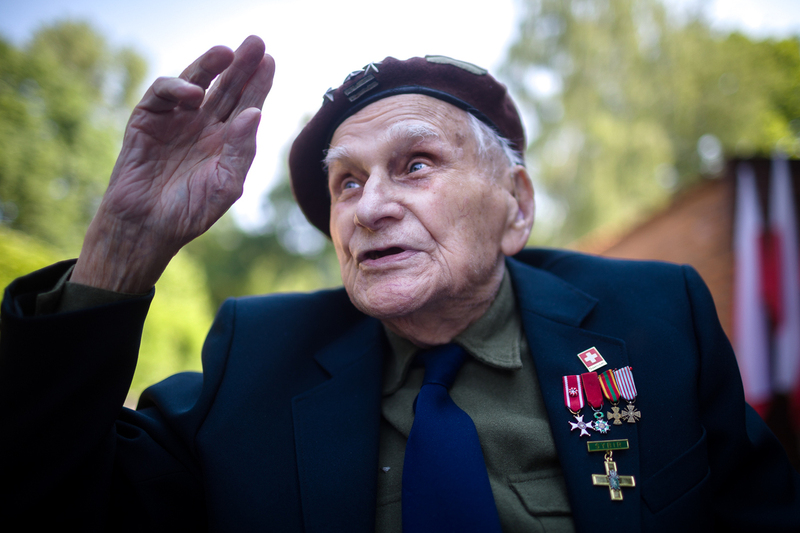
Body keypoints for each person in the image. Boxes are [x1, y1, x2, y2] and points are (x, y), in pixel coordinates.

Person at [1, 35, 799, 532]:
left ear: (515, 207)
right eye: (345, 183)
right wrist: (121, 249)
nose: (369, 206)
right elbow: (46, 495)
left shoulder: (657, 319)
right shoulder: (256, 362)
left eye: (415, 164)